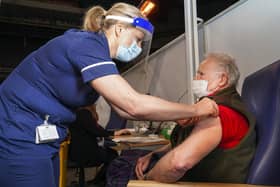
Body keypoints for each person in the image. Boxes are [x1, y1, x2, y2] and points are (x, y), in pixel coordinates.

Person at [0, 3, 217, 187]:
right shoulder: (87, 45)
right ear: (120, 29)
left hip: (43, 135)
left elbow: (121, 108)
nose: (139, 47)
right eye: (138, 39)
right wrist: (197, 109)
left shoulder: (99, 57)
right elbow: (132, 104)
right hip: (18, 130)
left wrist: (175, 115)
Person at [106, 53, 256, 186]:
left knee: (120, 168)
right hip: (197, 174)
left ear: (222, 80)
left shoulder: (217, 114)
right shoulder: (215, 106)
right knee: (128, 160)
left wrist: (147, 181)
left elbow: (178, 163)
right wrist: (155, 154)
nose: (195, 79)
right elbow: (189, 141)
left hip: (201, 180)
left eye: (201, 74)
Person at [68, 105, 130, 185]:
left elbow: (97, 129)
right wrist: (115, 133)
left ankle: (97, 181)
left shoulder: (76, 112)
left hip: (76, 152)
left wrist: (111, 133)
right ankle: (98, 182)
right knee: (113, 156)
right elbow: (96, 131)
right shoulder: (83, 113)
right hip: (85, 154)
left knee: (111, 154)